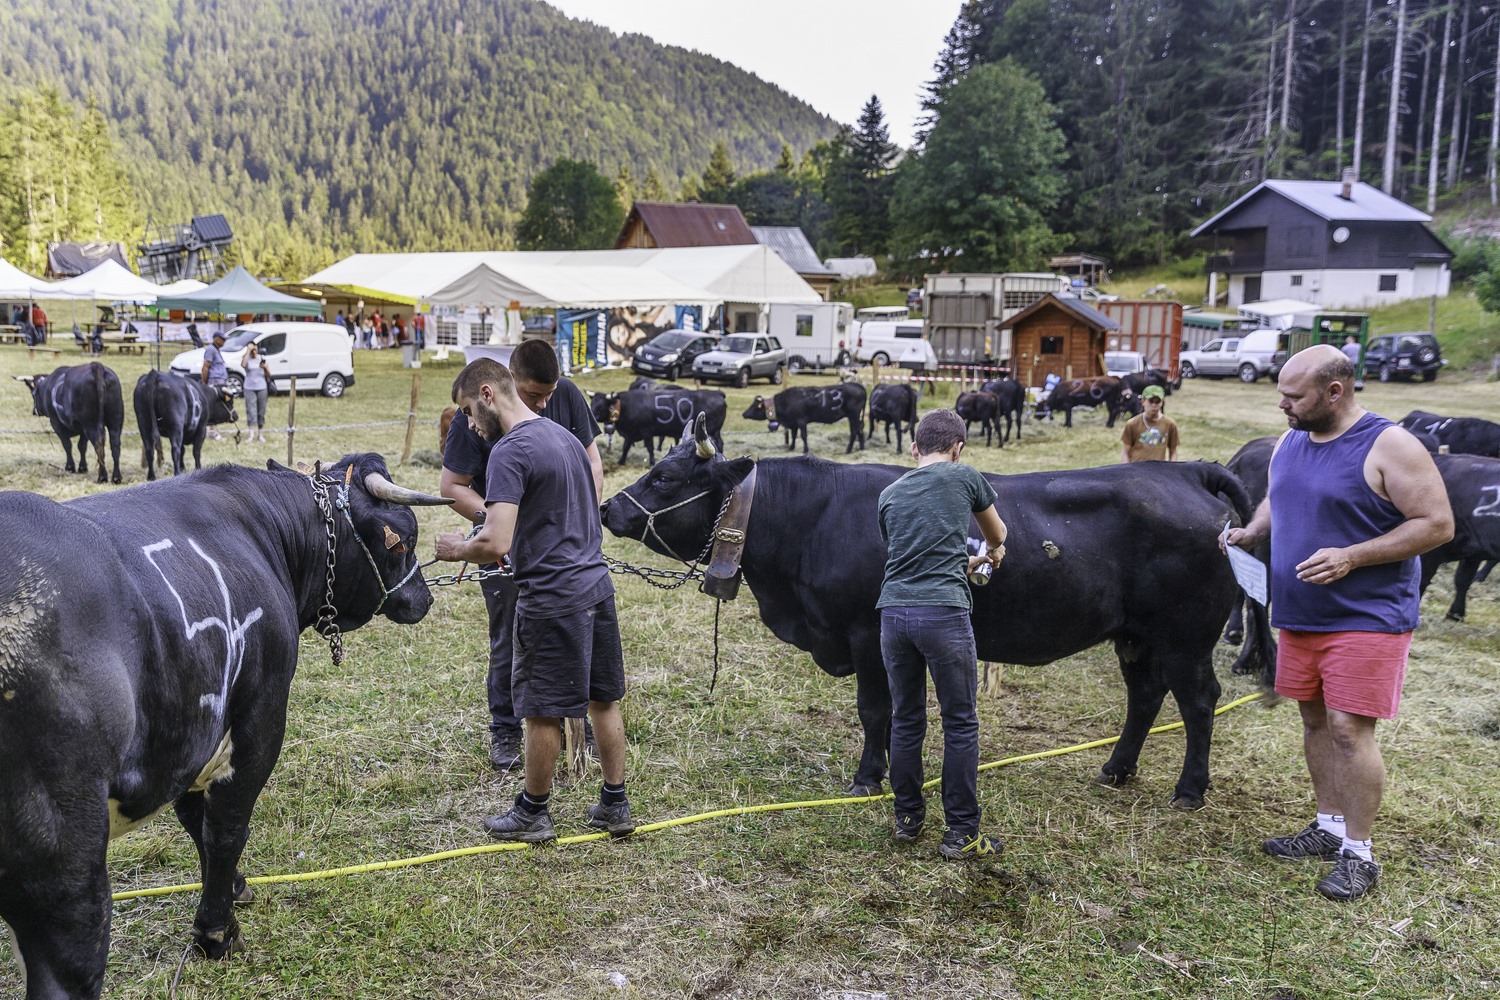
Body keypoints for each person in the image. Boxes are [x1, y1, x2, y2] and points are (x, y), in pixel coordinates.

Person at [1224, 345, 1453, 901]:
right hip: (1301, 612)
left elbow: (1437, 523)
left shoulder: (1389, 444)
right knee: (1315, 723)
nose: (1282, 404)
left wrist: (1353, 555)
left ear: (1335, 391)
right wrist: (1252, 532)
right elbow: (1281, 500)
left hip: (1367, 616)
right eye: (1280, 392)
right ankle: (1328, 827)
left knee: (1350, 729)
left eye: (1293, 395)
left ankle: (1359, 851)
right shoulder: (1290, 441)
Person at [433, 357, 631, 842]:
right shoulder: (563, 436)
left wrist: (457, 548)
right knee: (602, 700)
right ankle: (615, 805)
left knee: (541, 709)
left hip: (552, 596)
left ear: (486, 394)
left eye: (467, 411)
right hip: (595, 586)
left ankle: (533, 812)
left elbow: (496, 541)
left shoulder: (508, 450)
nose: (469, 425)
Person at [439, 340, 603, 772]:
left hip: (568, 551)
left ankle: (577, 728)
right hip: (506, 550)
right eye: (534, 396)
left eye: (550, 393)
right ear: (506, 383)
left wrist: (576, 517)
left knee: (578, 637)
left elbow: (592, 462)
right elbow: (452, 486)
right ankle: (507, 731)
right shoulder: (473, 417)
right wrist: (505, 517)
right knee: (509, 639)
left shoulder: (563, 394)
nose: (544, 403)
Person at [878, 409, 1007, 860]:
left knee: (907, 718)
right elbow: (998, 531)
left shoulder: (889, 494)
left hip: (893, 616)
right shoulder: (964, 476)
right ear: (957, 449)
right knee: (959, 722)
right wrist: (991, 553)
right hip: (944, 615)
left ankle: (908, 818)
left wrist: (962, 562)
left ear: (914, 448)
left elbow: (908, 556)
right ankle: (961, 833)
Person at [1119, 384, 1179, 462]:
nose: (1154, 405)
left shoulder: (1170, 424)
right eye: (1150, 401)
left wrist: (1171, 470)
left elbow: (1173, 451)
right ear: (1143, 401)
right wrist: (1126, 470)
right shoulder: (1132, 424)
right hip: (1136, 468)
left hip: (1158, 470)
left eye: (1157, 402)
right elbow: (1125, 452)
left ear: (1162, 402)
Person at [241, 341, 271, 442]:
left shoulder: (262, 358)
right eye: (252, 350)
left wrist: (265, 368)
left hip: (262, 387)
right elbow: (243, 364)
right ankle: (251, 434)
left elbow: (269, 375)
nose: (254, 352)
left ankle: (260, 434)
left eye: (255, 349)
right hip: (249, 388)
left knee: (261, 412)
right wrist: (248, 350)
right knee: (251, 411)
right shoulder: (247, 359)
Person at [201, 331, 229, 440]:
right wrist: (205, 383)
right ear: (216, 339)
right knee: (214, 406)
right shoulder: (211, 350)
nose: (224, 342)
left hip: (220, 381)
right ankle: (213, 431)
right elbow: (205, 367)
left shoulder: (217, 350)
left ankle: (214, 430)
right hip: (214, 381)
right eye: (222, 339)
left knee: (219, 405)